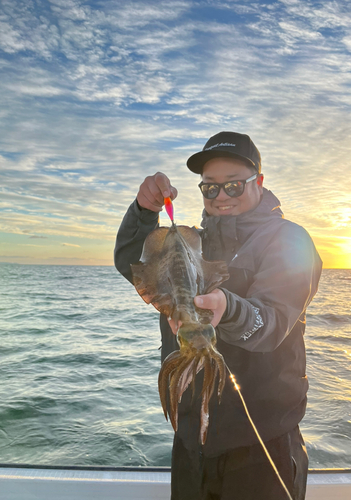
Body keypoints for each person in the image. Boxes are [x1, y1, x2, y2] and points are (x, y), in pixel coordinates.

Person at [114, 131, 322, 500]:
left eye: (233, 186)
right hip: (192, 445)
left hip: (261, 446)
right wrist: (144, 212)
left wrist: (227, 308)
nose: (221, 197)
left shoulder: (289, 241)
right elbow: (135, 264)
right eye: (210, 189)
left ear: (258, 182)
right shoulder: (191, 242)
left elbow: (271, 322)